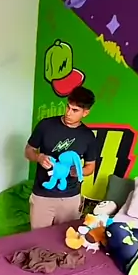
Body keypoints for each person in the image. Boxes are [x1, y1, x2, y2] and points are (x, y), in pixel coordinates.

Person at [25, 86, 98, 229]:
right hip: (42, 196)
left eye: (75, 110)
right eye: (68, 107)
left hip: (70, 198)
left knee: (65, 238)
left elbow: (90, 167)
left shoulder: (88, 136)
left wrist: (78, 171)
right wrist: (39, 157)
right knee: (38, 238)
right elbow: (28, 151)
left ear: (85, 113)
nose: (68, 113)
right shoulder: (46, 125)